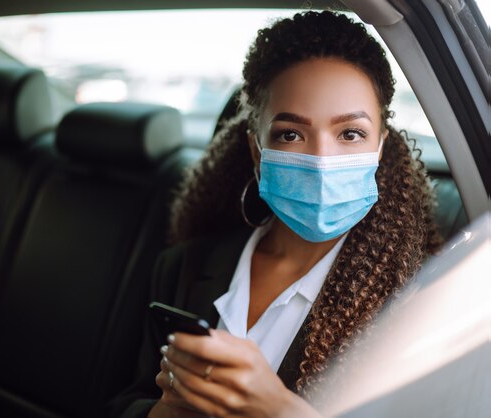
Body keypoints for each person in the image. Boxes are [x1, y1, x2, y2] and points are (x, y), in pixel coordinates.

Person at [110, 10, 442, 418]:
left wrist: (281, 411)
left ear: (379, 148)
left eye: (350, 134)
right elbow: (124, 401)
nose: (321, 159)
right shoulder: (181, 265)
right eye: (290, 134)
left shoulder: (417, 303)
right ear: (256, 151)